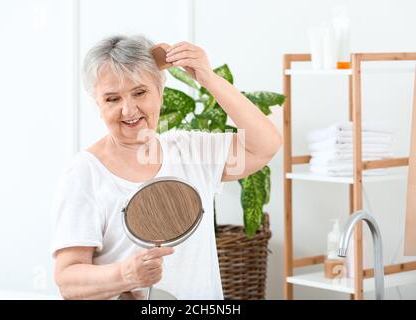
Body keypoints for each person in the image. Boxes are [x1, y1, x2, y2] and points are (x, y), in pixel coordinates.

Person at [51, 34, 282, 299]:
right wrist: (125, 275)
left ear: (160, 93)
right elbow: (67, 280)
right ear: (98, 105)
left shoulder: (190, 152)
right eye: (112, 99)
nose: (128, 110)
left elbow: (266, 144)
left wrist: (208, 78)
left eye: (140, 92)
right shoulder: (85, 173)